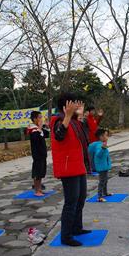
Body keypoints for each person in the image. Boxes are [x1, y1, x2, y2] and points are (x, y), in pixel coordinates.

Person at [50, 92, 91, 246]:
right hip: (68, 167)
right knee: (71, 202)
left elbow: (83, 137)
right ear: (66, 105)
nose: (77, 105)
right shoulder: (57, 119)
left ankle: (76, 228)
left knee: (81, 198)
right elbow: (59, 135)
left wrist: (78, 116)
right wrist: (68, 116)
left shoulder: (73, 121)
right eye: (74, 103)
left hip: (78, 165)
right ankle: (66, 236)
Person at [27, 111, 50, 197]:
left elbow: (46, 135)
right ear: (35, 119)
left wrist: (46, 125)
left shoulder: (38, 128)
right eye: (39, 117)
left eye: (41, 117)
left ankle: (40, 189)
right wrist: (40, 128)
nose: (41, 119)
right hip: (37, 154)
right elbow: (36, 139)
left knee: (41, 172)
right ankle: (37, 190)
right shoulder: (32, 129)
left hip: (42, 153)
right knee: (37, 173)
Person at [88, 128, 112, 202]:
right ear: (101, 137)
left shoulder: (101, 144)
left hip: (104, 166)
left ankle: (105, 192)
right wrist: (103, 148)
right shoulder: (99, 145)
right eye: (106, 135)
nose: (107, 137)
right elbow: (98, 154)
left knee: (105, 180)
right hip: (101, 167)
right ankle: (99, 197)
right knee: (102, 181)